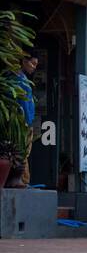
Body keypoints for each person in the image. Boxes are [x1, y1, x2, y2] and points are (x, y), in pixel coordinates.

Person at [11, 53, 37, 188]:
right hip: (22, 121)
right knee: (23, 151)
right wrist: (26, 120)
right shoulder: (18, 79)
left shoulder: (24, 79)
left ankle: (24, 180)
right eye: (32, 63)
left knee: (25, 151)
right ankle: (23, 180)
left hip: (27, 121)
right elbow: (22, 102)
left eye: (36, 65)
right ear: (24, 61)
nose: (34, 67)